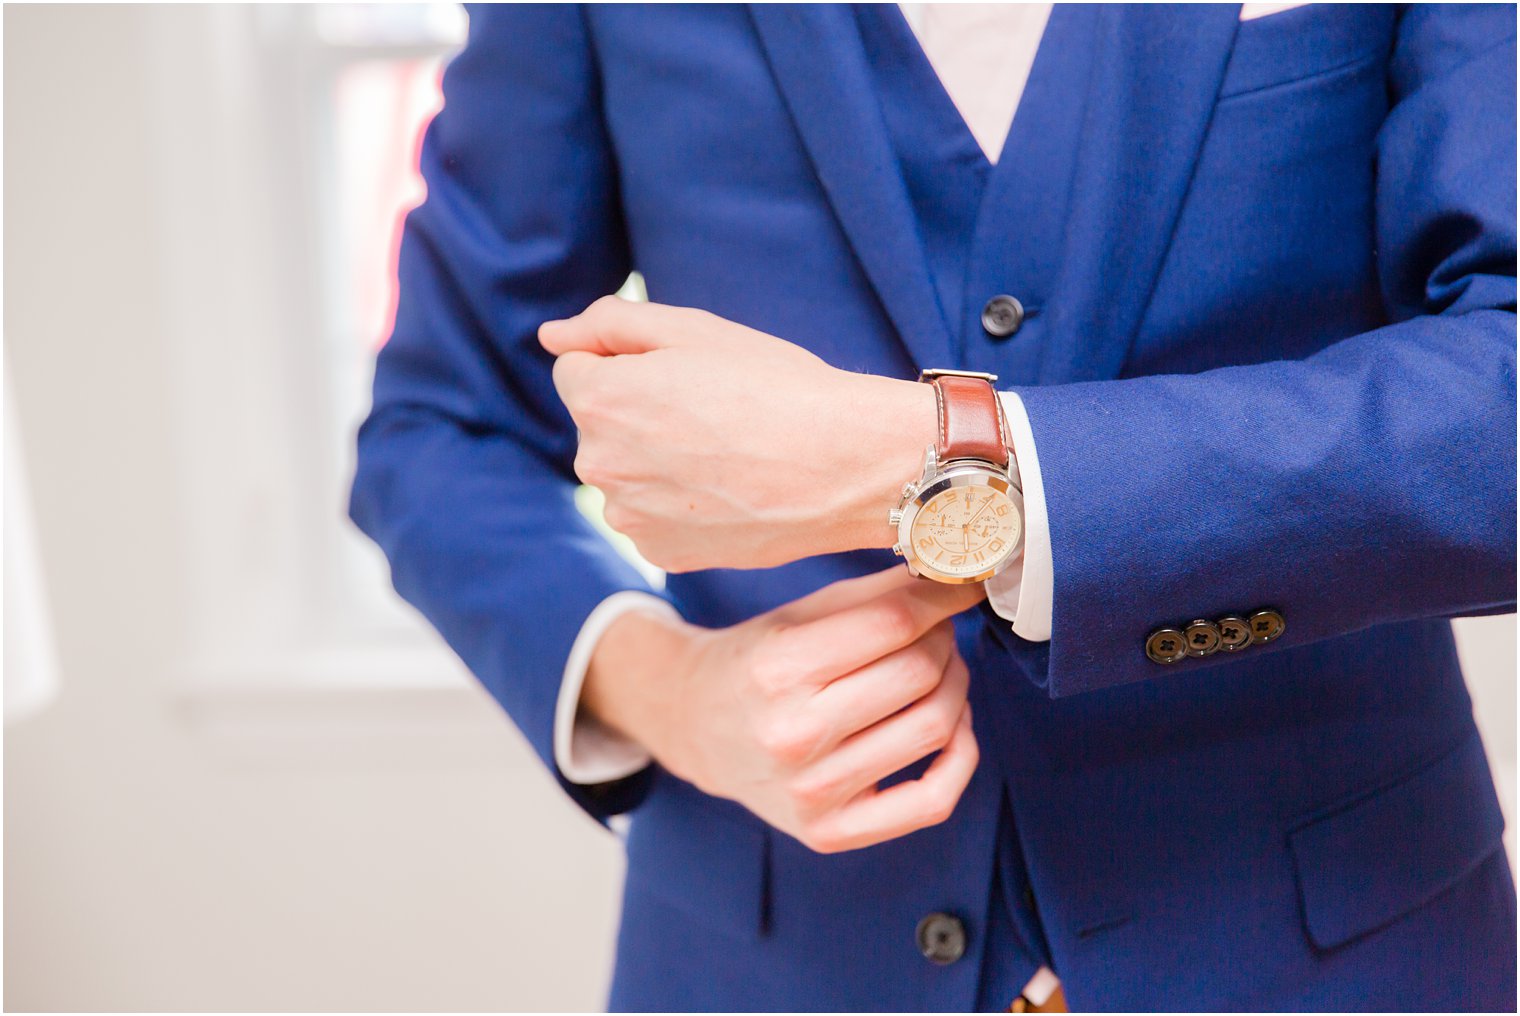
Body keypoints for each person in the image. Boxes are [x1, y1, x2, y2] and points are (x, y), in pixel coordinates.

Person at [349, 4, 1517, 1011]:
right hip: (766, 957)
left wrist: (926, 465)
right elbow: (438, 426)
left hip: (1337, 950)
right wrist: (669, 690)